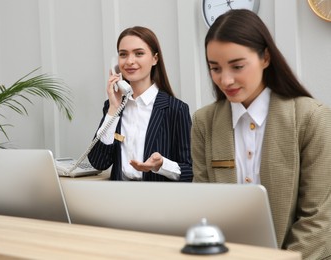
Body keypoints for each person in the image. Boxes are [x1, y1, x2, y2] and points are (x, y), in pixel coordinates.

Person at [191, 9, 331, 259]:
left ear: (265, 57)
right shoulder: (204, 123)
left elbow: (319, 220)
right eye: (215, 68)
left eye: (237, 66)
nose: (226, 80)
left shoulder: (311, 118)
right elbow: (203, 209)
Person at [88, 26, 192, 182]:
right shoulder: (113, 107)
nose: (130, 61)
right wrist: (113, 109)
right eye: (123, 54)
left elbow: (189, 171)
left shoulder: (175, 109)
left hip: (158, 200)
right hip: (119, 198)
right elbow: (98, 162)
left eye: (139, 53)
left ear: (155, 59)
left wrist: (161, 164)